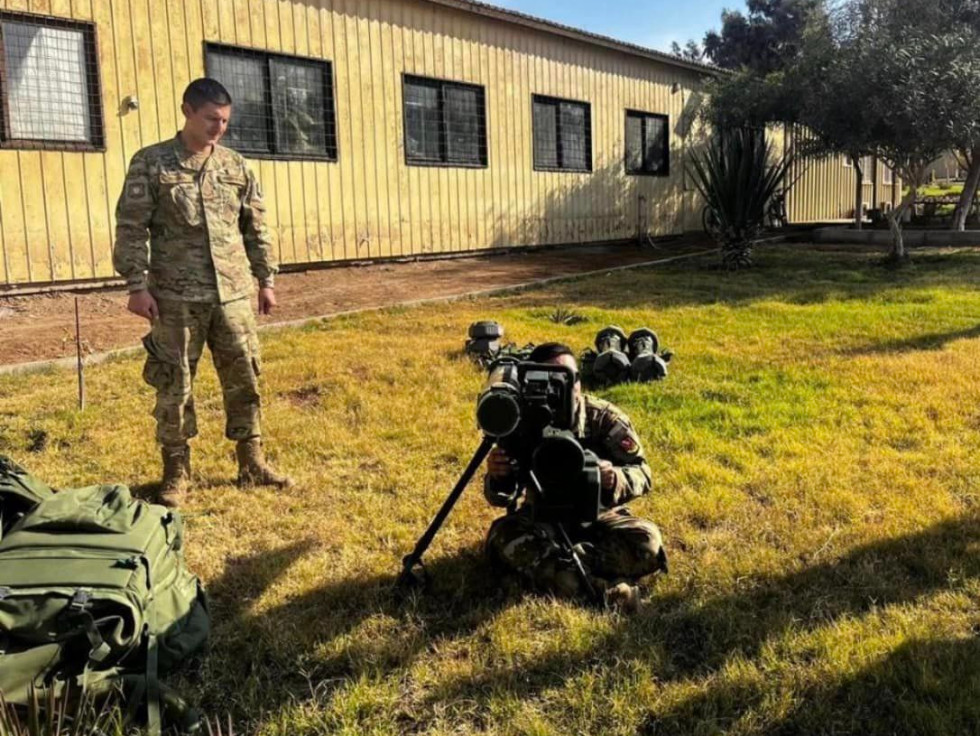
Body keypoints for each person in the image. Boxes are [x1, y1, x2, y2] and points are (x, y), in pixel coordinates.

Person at [113, 78, 293, 507]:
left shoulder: (236, 167)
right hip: (175, 298)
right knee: (175, 385)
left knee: (245, 378)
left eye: (226, 120)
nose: (219, 127)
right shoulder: (151, 163)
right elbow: (131, 227)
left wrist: (266, 280)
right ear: (187, 111)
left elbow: (256, 227)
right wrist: (136, 286)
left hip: (232, 296)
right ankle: (176, 472)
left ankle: (251, 461)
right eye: (212, 118)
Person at [484, 343, 666, 610]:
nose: (565, 387)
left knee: (648, 543)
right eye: (552, 380)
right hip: (540, 517)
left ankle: (560, 569)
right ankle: (605, 590)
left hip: (599, 514)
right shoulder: (519, 419)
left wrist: (614, 477)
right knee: (502, 539)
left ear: (579, 381)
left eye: (570, 378)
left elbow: (643, 473)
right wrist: (498, 476)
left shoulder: (603, 417)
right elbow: (501, 496)